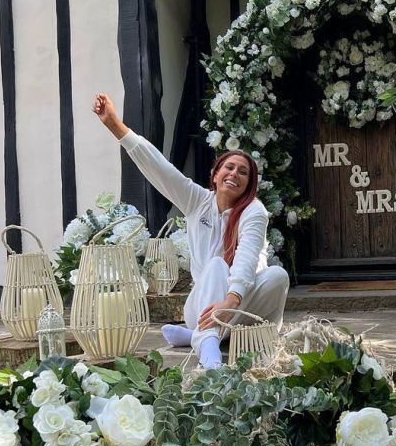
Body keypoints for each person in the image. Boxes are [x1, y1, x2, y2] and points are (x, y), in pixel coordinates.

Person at [92, 93, 289, 369]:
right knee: (217, 265)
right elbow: (160, 169)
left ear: (249, 184)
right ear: (216, 174)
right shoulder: (196, 201)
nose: (234, 174)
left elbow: (246, 259)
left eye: (243, 172)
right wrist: (116, 126)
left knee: (278, 276)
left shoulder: (253, 211)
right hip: (202, 308)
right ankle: (207, 344)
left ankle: (196, 336)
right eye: (229, 167)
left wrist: (230, 301)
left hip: (240, 305)